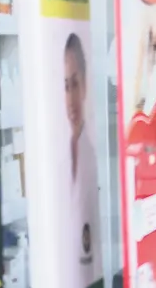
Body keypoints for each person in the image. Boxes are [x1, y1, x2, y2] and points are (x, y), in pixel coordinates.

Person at [64, 33, 102, 286]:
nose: (70, 99)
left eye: (74, 84)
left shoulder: (89, 152)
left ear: (85, 85)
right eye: (64, 86)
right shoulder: (57, 154)